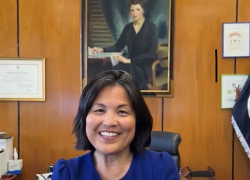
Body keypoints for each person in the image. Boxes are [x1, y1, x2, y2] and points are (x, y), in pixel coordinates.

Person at [52, 70, 180, 180]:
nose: (109, 122)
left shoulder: (160, 167)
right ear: (84, 118)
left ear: (138, 119)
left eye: (122, 112)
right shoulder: (67, 173)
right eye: (99, 110)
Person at [92, 0, 158, 90]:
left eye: (138, 9)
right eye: (132, 10)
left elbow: (150, 54)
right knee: (107, 67)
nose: (135, 13)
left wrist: (128, 61)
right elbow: (118, 46)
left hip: (143, 68)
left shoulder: (151, 28)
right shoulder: (128, 28)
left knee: (118, 73)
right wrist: (102, 49)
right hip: (128, 64)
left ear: (143, 10)